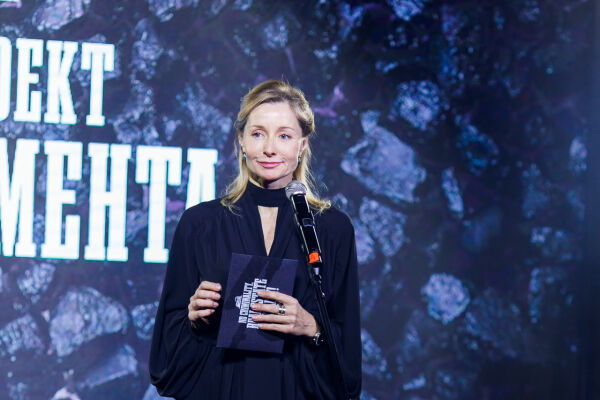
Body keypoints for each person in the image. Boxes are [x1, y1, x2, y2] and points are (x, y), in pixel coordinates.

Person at [149, 80, 362, 399]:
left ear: (302, 145)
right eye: (258, 133)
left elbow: (348, 367)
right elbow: (163, 358)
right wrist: (194, 319)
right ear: (241, 141)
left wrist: (310, 326)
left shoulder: (332, 229)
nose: (269, 148)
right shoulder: (200, 224)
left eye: (284, 136)